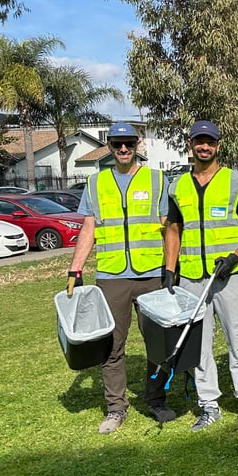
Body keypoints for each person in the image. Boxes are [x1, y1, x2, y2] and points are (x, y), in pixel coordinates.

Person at [66, 122, 172, 433]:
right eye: (117, 144)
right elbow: (89, 229)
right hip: (112, 276)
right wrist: (75, 269)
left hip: (152, 274)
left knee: (157, 342)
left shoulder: (157, 179)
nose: (123, 149)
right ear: (109, 146)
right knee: (112, 345)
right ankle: (116, 407)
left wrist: (170, 269)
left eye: (128, 143)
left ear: (137, 144)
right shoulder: (95, 183)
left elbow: (169, 228)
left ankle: (157, 400)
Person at [162, 120, 238, 431]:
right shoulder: (177, 186)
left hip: (230, 276)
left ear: (218, 145)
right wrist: (169, 270)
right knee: (199, 344)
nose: (204, 146)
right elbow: (174, 230)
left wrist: (234, 257)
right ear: (190, 144)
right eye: (198, 141)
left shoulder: (234, 181)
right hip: (192, 277)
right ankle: (209, 404)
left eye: (210, 141)